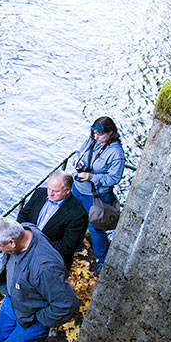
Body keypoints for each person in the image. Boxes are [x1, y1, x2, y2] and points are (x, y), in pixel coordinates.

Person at [0, 216, 79, 342]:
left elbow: (67, 304)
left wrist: (40, 319)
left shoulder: (45, 267)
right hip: (15, 300)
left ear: (12, 243)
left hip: (33, 313)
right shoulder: (25, 229)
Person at [70, 115, 125, 272]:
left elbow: (113, 178)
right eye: (94, 133)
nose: (96, 137)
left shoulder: (116, 154)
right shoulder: (92, 140)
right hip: (79, 188)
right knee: (75, 218)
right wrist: (77, 161)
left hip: (97, 196)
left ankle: (102, 257)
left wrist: (92, 177)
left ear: (110, 133)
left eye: (100, 134)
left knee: (95, 227)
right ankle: (77, 244)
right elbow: (79, 151)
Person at [17, 171, 87, 270]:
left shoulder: (78, 214)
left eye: (56, 191)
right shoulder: (39, 193)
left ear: (67, 191)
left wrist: (35, 246)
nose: (50, 193)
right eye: (49, 188)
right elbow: (23, 215)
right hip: (25, 249)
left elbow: (67, 246)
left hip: (50, 261)